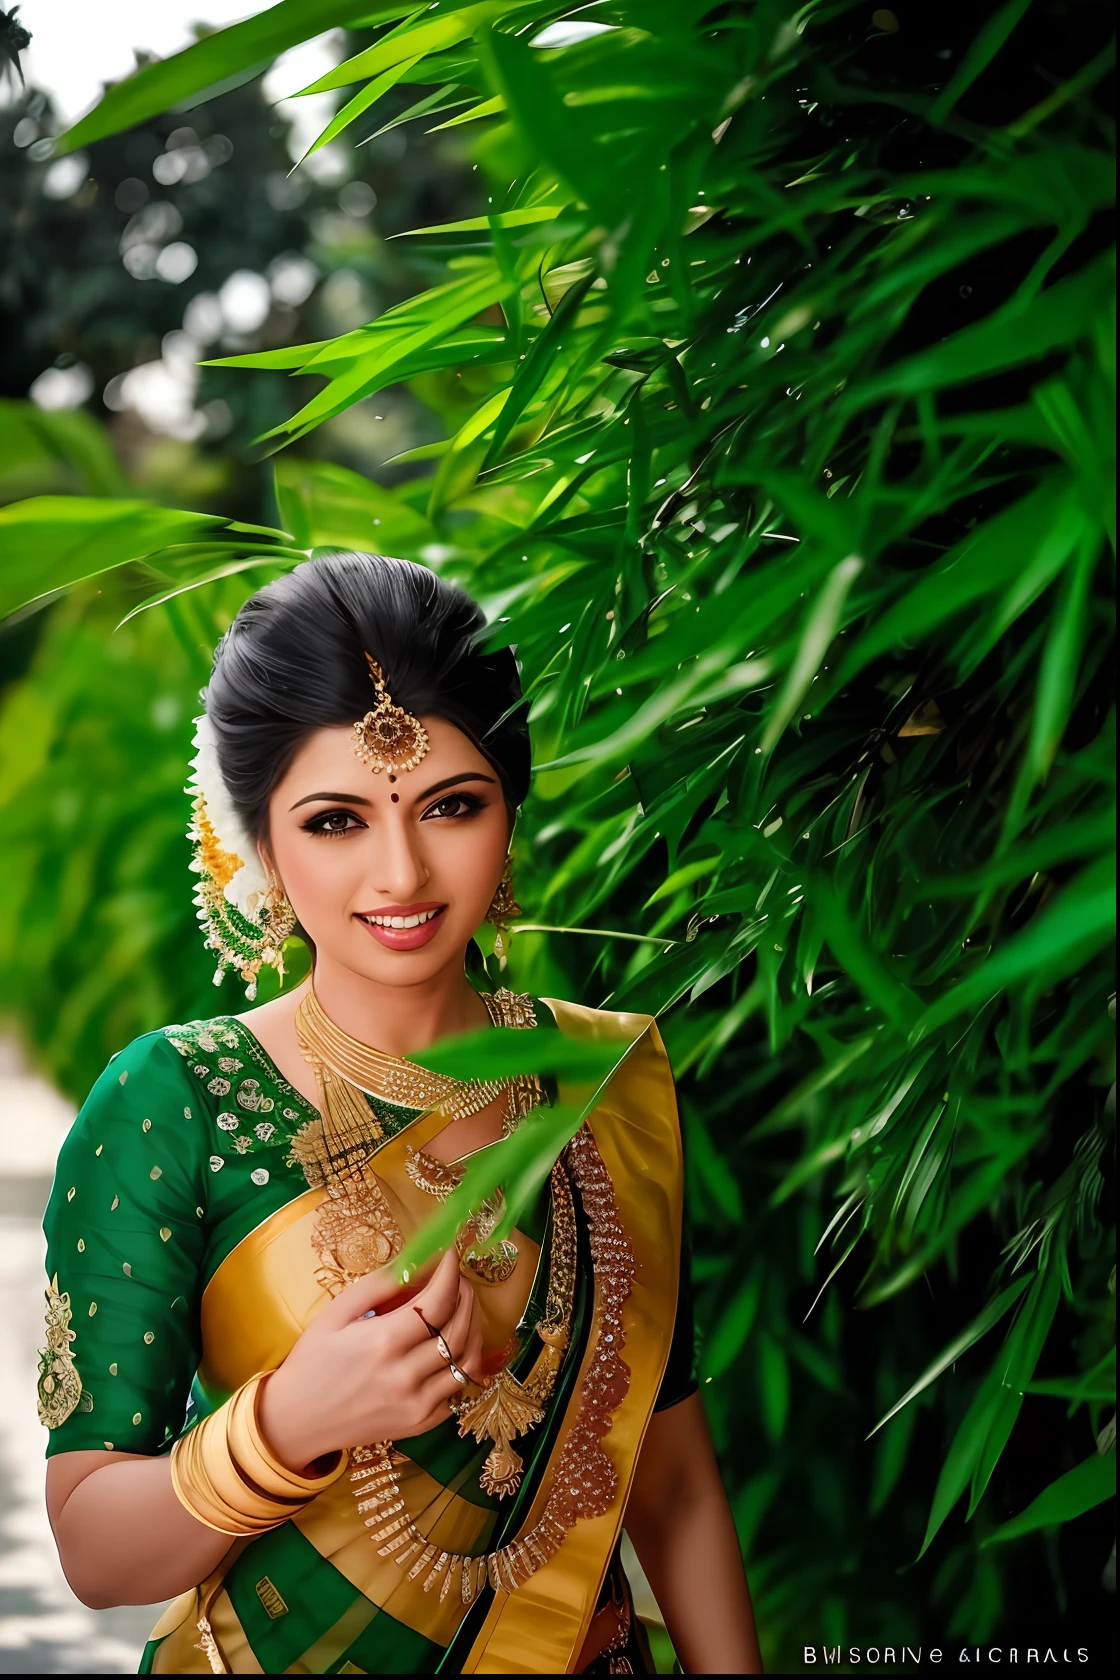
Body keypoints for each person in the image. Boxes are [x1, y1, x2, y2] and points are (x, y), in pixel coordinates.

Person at [38, 552, 763, 1674]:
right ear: (256, 843)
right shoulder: (171, 1101)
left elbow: (667, 1483)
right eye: (335, 822)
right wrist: (284, 1427)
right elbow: (93, 1547)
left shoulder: (600, 1082)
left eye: (453, 806)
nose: (401, 871)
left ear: (508, 812)